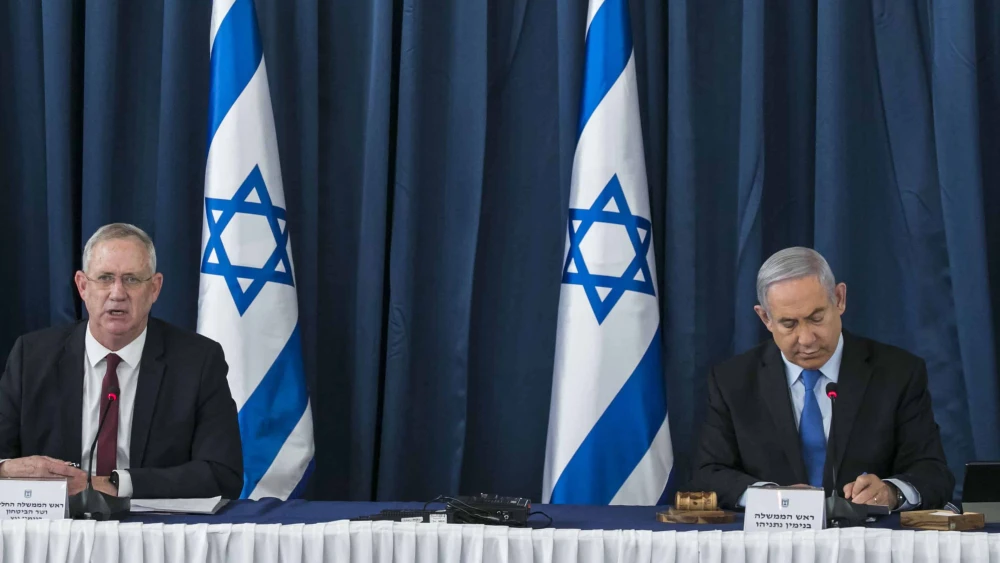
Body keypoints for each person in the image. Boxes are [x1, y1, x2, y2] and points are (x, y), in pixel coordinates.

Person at [689, 247, 953, 510]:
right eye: (789, 324)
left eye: (816, 318)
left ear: (839, 299)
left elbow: (932, 472)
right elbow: (709, 473)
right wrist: (771, 498)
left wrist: (892, 492)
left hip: (868, 533)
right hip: (772, 534)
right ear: (765, 317)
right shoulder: (733, 381)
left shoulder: (898, 373)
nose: (806, 339)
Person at [0, 223, 243, 499]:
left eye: (132, 279)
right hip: (56, 523)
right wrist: (7, 470)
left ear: (154, 288)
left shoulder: (199, 361)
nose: (117, 293)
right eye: (105, 278)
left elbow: (223, 474)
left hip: (155, 524)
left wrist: (112, 485)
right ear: (82, 286)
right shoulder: (31, 357)